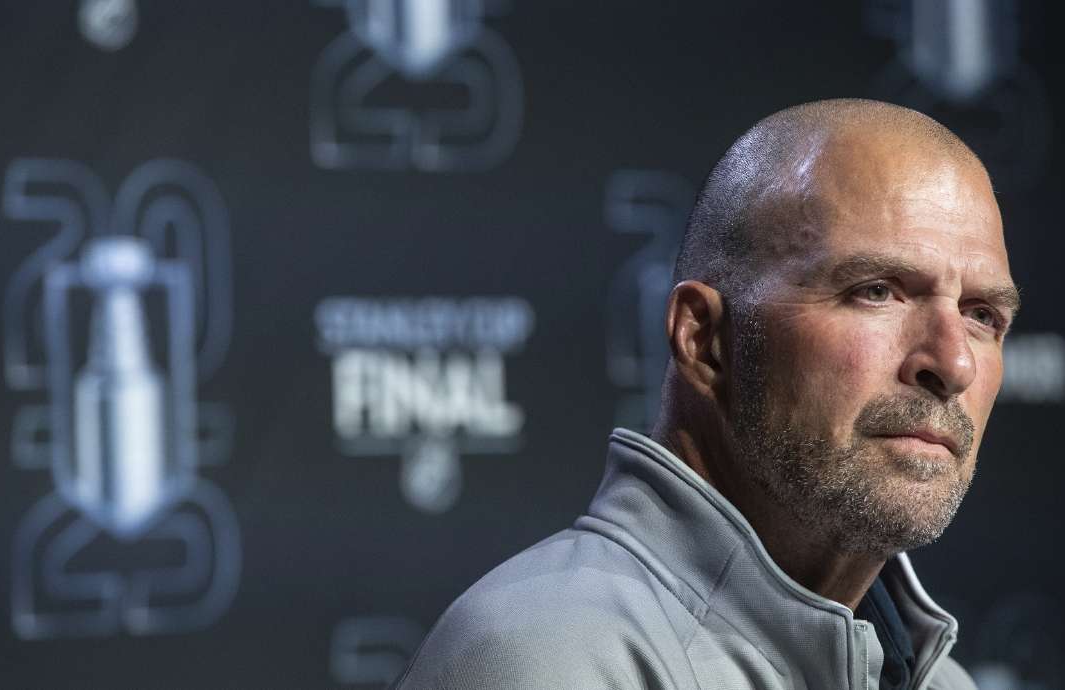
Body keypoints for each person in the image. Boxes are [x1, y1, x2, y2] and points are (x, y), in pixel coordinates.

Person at [392, 99, 1019, 690]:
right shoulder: (554, 660)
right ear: (705, 338)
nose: (953, 363)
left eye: (983, 316)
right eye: (877, 291)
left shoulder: (940, 681)